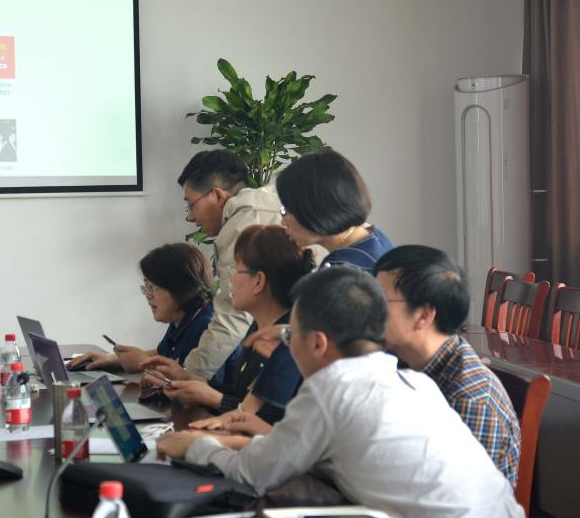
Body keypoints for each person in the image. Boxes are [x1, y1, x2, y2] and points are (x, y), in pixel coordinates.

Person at [157, 266, 524, 518]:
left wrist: (195, 447)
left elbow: (254, 474)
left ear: (317, 343)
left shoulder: (329, 391)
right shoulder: (413, 382)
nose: (285, 344)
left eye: (290, 335)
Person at [375, 245, 522, 485]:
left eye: (380, 299)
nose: (368, 308)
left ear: (423, 315)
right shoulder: (407, 366)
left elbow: (465, 495)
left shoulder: (470, 400)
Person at [142, 225, 312, 426]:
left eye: (235, 270)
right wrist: (190, 379)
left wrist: (214, 398)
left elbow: (275, 421)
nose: (229, 278)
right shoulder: (257, 328)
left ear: (258, 282)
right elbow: (242, 395)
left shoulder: (284, 338)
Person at [175, 150, 284, 380]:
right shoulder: (266, 202)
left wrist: (186, 377)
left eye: (191, 205)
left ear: (217, 196)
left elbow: (232, 316)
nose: (190, 217)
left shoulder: (240, 227)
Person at [68, 243, 216, 372]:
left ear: (180, 288)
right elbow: (162, 355)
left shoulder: (206, 327)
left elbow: (198, 384)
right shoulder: (180, 319)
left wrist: (144, 364)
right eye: (146, 287)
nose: (148, 296)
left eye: (153, 287)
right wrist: (111, 359)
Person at [276, 148, 392, 270]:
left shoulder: (342, 272)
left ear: (314, 207)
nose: (283, 222)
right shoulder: (374, 237)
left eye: (286, 211)